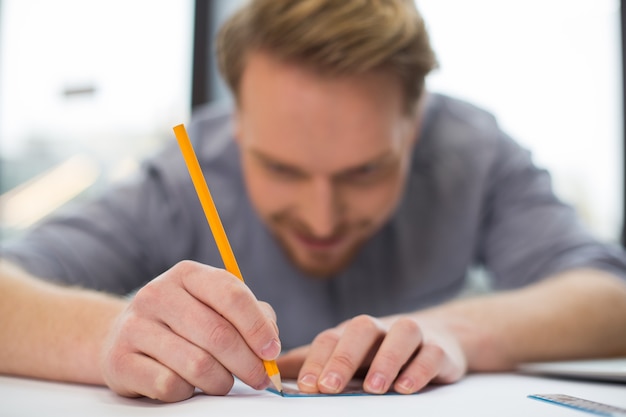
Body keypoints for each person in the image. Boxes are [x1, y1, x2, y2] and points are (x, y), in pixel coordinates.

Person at [2, 0, 626, 403]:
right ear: (236, 123)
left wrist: (453, 330)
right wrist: (111, 332)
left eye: (364, 171)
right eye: (279, 167)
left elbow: (608, 298)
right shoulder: (179, 180)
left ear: (418, 122)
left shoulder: (474, 152)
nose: (321, 218)